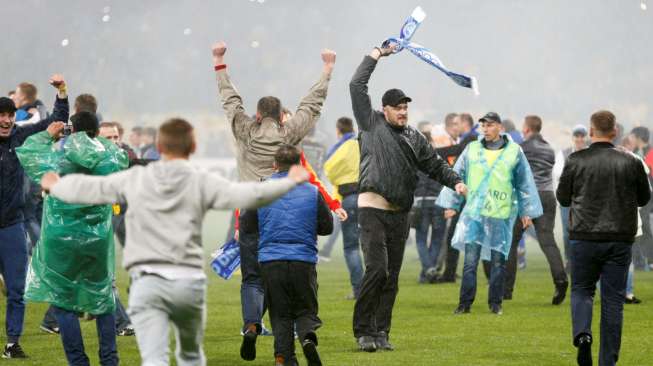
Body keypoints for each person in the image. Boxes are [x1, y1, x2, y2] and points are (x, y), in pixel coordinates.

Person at [40, 118, 310, 366]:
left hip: (148, 280)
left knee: (154, 357)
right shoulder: (200, 180)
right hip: (187, 282)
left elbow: (92, 190)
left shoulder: (137, 177)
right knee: (191, 355)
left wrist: (57, 185)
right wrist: (288, 183)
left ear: (158, 145)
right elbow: (248, 195)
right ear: (193, 146)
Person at [212, 40, 335, 361]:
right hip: (287, 214)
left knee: (253, 278)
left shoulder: (244, 130)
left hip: (252, 211)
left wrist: (219, 62)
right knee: (291, 284)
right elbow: (311, 107)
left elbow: (230, 101)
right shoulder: (288, 134)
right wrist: (326, 70)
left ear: (256, 114)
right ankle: (300, 334)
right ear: (282, 116)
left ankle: (252, 323)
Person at [349, 44, 465, 352]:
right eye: (398, 107)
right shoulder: (370, 123)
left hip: (401, 213)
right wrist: (376, 54)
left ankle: (381, 332)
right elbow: (356, 85)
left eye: (406, 107)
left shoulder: (415, 137)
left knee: (393, 277)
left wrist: (456, 182)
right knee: (377, 270)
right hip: (372, 209)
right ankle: (363, 331)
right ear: (384, 109)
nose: (403, 111)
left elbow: (435, 165)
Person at [17, 110, 127, 366]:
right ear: (96, 130)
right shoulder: (107, 156)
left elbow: (29, 151)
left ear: (71, 129)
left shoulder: (58, 156)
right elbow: (122, 158)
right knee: (103, 299)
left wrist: (47, 134)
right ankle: (109, 360)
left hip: (60, 239)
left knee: (63, 302)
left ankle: (78, 362)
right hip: (96, 240)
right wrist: (100, 139)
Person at [557, 110, 651, 366]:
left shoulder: (576, 160)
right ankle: (607, 361)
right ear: (615, 132)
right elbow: (644, 198)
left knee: (581, 291)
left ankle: (583, 335)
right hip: (619, 237)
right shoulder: (631, 161)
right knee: (613, 301)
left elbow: (563, 197)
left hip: (584, 236)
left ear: (590, 132)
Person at [437, 112, 542, 316]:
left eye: (490, 125)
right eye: (483, 125)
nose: (485, 129)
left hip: (500, 214)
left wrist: (526, 211)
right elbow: (457, 175)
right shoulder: (472, 149)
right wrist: (452, 203)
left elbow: (524, 183)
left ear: (500, 127)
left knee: (497, 261)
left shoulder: (514, 152)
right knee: (470, 261)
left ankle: (495, 303)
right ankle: (464, 303)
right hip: (474, 213)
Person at [240, 145, 333, 366]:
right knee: (305, 309)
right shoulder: (312, 191)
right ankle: (308, 338)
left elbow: (247, 223)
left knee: (280, 314)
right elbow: (327, 227)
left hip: (271, 261)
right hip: (303, 260)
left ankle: (283, 358)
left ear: (275, 165)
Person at [0, 74, 68, 359]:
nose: (5, 120)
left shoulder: (20, 137)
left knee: (17, 289)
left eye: (9, 115)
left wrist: (62, 92)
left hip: (12, 226)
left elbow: (55, 120)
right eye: (1, 116)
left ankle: (12, 343)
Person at [504, 115, 568, 304]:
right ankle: (560, 278)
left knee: (511, 242)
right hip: (547, 195)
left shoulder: (521, 148)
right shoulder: (549, 148)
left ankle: (506, 289)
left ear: (526, 129)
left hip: (527, 196)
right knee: (548, 241)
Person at [324, 117, 364, 298]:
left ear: (338, 130)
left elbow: (329, 167)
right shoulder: (362, 143)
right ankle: (375, 288)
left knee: (351, 247)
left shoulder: (342, 147)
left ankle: (359, 289)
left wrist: (338, 181)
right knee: (372, 246)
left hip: (348, 197)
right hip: (368, 197)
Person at [412, 121, 448, 283]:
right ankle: (430, 271)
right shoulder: (439, 157)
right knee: (437, 238)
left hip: (420, 201)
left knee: (420, 238)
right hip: (438, 200)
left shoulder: (414, 158)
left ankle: (427, 270)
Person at [555, 125, 588, 267]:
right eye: (577, 136)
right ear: (573, 138)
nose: (579, 139)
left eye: (582, 136)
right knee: (568, 233)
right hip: (567, 200)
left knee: (585, 231)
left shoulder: (591, 153)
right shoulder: (563, 154)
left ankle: (582, 260)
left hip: (587, 200)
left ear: (586, 137)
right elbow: (558, 174)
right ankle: (569, 259)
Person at [629, 126, 653, 270]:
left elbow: (648, 172)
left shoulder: (650, 152)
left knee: (644, 225)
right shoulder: (634, 152)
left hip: (648, 196)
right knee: (637, 227)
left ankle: (649, 260)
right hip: (636, 195)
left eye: (632, 136)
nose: (630, 139)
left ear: (638, 137)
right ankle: (639, 260)